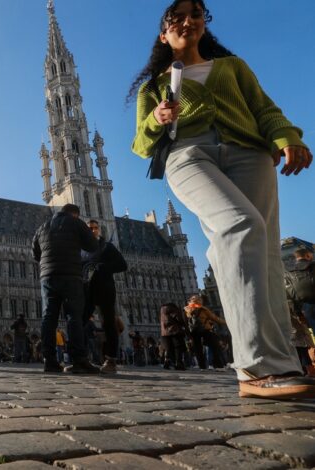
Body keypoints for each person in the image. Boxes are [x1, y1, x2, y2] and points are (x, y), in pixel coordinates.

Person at [130, 0, 315, 398]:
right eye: (176, 16)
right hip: (188, 155)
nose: (188, 20)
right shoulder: (154, 87)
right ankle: (255, 367)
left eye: (196, 14)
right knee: (239, 226)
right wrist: (155, 119)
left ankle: (283, 366)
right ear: (163, 33)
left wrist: (288, 138)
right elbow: (142, 145)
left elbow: (264, 109)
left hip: (249, 154)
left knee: (264, 252)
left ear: (204, 26)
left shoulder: (233, 67)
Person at [33, 203, 99, 374]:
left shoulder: (42, 227)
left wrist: (49, 263)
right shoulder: (75, 223)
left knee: (49, 318)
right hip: (70, 276)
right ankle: (79, 360)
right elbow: (92, 246)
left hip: (48, 277)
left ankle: (49, 361)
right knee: (74, 317)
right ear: (75, 215)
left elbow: (35, 254)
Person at [81, 219, 128, 373]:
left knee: (109, 323)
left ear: (99, 230)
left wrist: (103, 267)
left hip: (105, 289)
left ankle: (111, 361)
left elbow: (123, 265)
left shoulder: (107, 247)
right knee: (80, 322)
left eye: (95, 228)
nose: (93, 230)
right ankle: (80, 359)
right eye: (90, 228)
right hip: (87, 290)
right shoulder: (82, 249)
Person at [184, 295, 226, 370]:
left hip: (193, 331)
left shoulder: (186, 309)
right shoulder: (203, 309)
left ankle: (202, 367)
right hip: (205, 330)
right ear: (200, 301)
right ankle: (219, 366)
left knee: (198, 349)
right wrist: (226, 322)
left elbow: (185, 323)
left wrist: (188, 335)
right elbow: (215, 318)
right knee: (214, 346)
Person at [160, 302, 187, 370]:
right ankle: (178, 363)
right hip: (174, 330)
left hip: (164, 332)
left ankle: (167, 361)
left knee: (169, 348)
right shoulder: (173, 309)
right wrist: (183, 325)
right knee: (177, 347)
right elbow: (179, 318)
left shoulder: (162, 310)